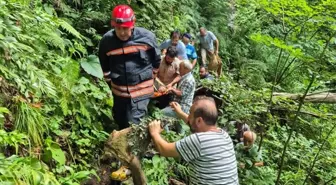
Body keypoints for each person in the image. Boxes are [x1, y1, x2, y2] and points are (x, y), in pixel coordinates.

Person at [98, 5, 161, 182]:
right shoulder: (107, 41)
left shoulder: (147, 37)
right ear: (113, 26)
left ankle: (128, 165)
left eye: (125, 29)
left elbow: (156, 62)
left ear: (132, 25)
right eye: (118, 28)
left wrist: (150, 81)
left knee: (134, 122)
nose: (122, 32)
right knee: (120, 119)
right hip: (119, 91)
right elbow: (105, 66)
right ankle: (141, 143)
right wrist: (111, 83)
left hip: (142, 90)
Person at [149, 96, 239, 185]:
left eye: (190, 114)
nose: (188, 117)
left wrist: (155, 133)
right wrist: (180, 113)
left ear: (199, 120)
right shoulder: (223, 135)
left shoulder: (199, 140)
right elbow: (193, 123)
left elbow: (165, 150)